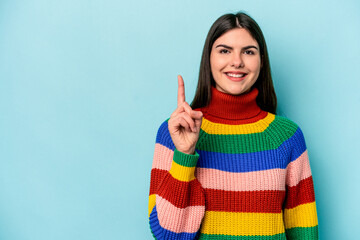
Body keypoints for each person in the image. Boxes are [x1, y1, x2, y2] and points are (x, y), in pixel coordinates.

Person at [148, 11, 319, 240]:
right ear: (209, 59)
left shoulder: (287, 137)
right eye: (224, 51)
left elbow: (304, 232)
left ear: (261, 61)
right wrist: (185, 154)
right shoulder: (174, 132)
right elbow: (168, 235)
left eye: (248, 52)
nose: (236, 61)